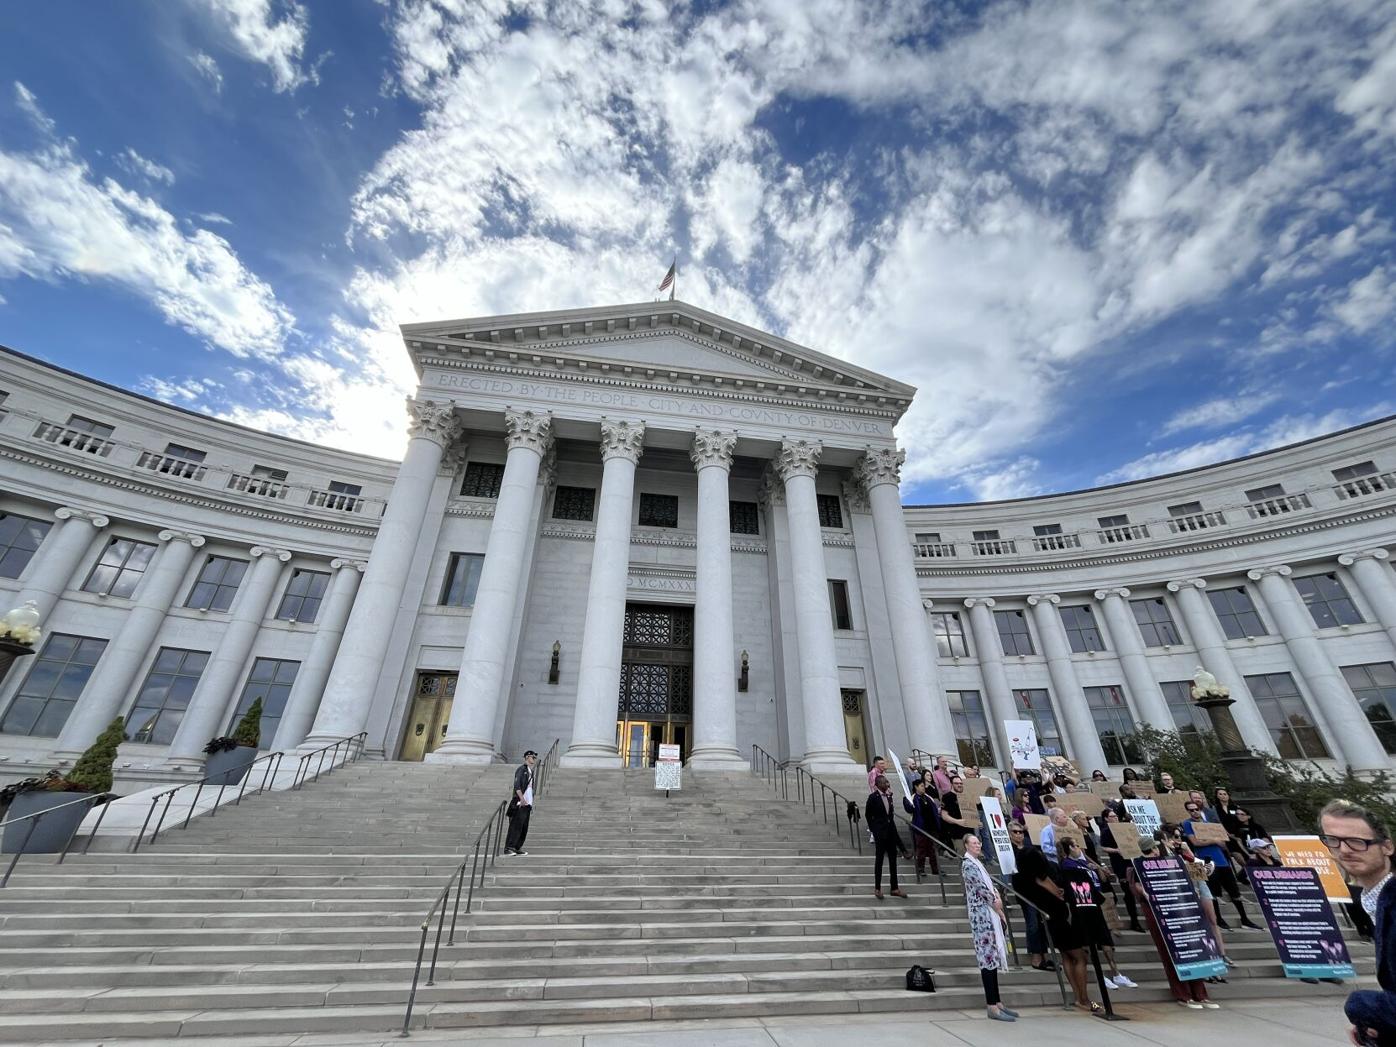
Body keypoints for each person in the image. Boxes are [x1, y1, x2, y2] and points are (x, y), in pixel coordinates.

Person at [1321, 799, 1396, 1047]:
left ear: (1387, 846)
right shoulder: (1375, 900)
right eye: (1334, 840)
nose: (1344, 850)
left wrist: (1363, 1006)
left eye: (1357, 841)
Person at [1128, 836, 1218, 1009]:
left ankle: (1200, 994)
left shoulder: (1170, 861)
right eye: (1155, 848)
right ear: (1151, 849)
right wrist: (1146, 893)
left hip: (1180, 908)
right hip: (1159, 911)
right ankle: (1183, 994)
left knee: (1192, 948)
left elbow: (1196, 872)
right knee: (1170, 952)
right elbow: (1138, 886)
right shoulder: (1137, 865)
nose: (1157, 851)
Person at [1060, 837, 1136, 988]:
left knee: (1106, 940)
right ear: (1068, 849)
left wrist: (1098, 869)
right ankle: (1099, 974)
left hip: (1098, 901)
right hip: (1084, 905)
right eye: (1075, 846)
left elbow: (1102, 878)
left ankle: (1116, 973)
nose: (1079, 849)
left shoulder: (1084, 863)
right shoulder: (1067, 865)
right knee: (1089, 942)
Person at [962, 834, 1018, 1022]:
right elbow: (980, 887)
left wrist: (997, 898)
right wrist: (995, 901)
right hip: (981, 916)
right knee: (987, 959)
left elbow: (990, 884)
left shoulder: (979, 864)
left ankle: (998, 1002)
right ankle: (991, 1005)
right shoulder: (968, 864)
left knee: (992, 959)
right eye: (974, 843)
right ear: (966, 846)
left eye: (979, 843)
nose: (977, 845)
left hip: (990, 913)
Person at [1182, 798, 1259, 930]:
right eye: (1191, 810)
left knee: (1234, 891)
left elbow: (1223, 844)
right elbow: (1195, 843)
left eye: (1197, 809)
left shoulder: (1210, 824)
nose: (1195, 812)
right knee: (1213, 892)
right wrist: (1213, 840)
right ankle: (1218, 919)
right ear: (1188, 811)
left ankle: (1244, 918)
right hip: (1204, 861)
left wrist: (1217, 841)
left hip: (1221, 860)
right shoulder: (1187, 823)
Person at [1009, 821, 1055, 972]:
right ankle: (1036, 957)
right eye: (1015, 832)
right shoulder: (1009, 850)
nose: (1018, 834)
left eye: (1021, 831)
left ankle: (1044, 954)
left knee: (1042, 923)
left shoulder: (1029, 847)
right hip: (1024, 890)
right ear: (1010, 834)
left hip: (1038, 890)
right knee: (1033, 922)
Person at [1098, 808, 1146, 932]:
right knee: (1128, 892)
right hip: (1120, 864)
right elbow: (1103, 847)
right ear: (1106, 818)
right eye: (1112, 816)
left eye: (1116, 816)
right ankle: (1134, 921)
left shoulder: (1125, 828)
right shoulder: (1106, 831)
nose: (1115, 818)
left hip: (1133, 860)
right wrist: (1116, 850)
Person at [865, 775, 909, 899]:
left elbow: (890, 817)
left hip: (890, 833)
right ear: (878, 784)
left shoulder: (889, 796)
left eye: (887, 782)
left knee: (893, 861)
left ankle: (894, 887)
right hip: (880, 834)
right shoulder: (873, 798)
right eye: (885, 782)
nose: (887, 784)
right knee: (879, 861)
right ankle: (877, 888)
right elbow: (868, 815)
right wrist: (874, 830)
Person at [903, 777, 941, 879]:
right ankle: (921, 868)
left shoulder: (928, 797)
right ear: (916, 787)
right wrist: (905, 800)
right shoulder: (913, 798)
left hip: (931, 827)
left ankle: (935, 868)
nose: (924, 788)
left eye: (924, 786)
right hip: (921, 827)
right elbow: (909, 809)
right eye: (922, 786)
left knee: (933, 849)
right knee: (921, 849)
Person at [504, 749, 537, 856]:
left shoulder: (530, 771)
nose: (534, 759)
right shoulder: (521, 770)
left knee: (523, 828)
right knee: (515, 826)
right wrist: (521, 799)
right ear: (527, 757)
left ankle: (517, 847)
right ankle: (509, 847)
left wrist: (529, 803)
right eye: (533, 757)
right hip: (520, 803)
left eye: (535, 758)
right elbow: (517, 786)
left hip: (527, 805)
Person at [938, 774, 976, 857]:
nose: (959, 785)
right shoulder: (947, 797)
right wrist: (957, 821)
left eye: (960, 783)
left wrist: (976, 823)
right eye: (956, 783)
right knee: (963, 858)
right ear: (951, 784)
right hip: (957, 834)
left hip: (970, 833)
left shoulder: (967, 796)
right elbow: (944, 816)